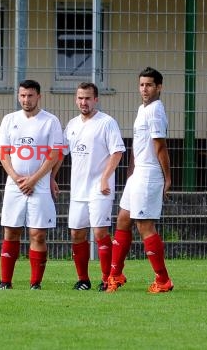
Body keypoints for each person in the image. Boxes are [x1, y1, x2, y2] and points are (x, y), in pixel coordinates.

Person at [106, 67, 173, 293]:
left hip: (150, 173)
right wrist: (131, 172)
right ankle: (115, 275)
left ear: (159, 87)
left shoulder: (155, 111)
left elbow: (160, 146)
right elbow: (139, 144)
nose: (145, 89)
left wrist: (167, 177)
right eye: (142, 84)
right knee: (123, 219)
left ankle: (163, 280)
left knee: (145, 226)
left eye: (150, 85)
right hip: (138, 175)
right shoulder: (142, 108)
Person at [0, 79, 63, 290]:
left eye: (30, 95)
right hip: (14, 184)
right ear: (18, 96)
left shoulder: (50, 121)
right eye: (22, 95)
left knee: (38, 234)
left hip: (40, 184)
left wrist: (34, 179)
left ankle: (36, 283)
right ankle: (5, 281)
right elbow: (3, 153)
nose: (26, 100)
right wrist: (16, 178)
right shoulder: (9, 119)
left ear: (39, 96)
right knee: (11, 231)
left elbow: (54, 155)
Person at [61, 82, 125, 291]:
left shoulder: (107, 123)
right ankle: (83, 280)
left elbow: (117, 152)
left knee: (100, 233)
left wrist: (105, 178)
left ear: (95, 99)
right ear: (75, 99)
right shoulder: (71, 125)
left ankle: (108, 279)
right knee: (76, 234)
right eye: (80, 98)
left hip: (100, 189)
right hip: (78, 190)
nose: (83, 102)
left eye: (87, 98)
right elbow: (61, 153)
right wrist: (52, 177)